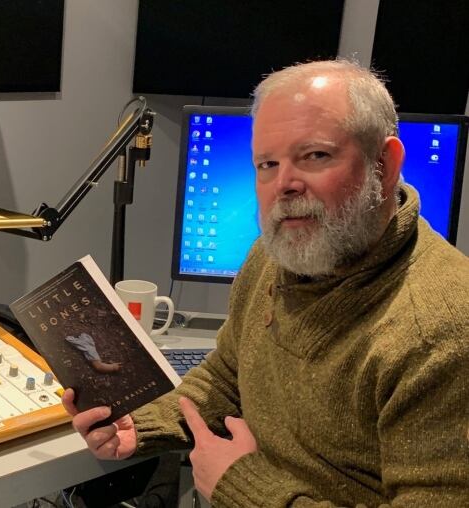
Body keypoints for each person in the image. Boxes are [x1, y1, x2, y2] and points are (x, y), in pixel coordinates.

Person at [63, 59, 469, 507]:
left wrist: (242, 487)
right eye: (267, 164)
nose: (284, 185)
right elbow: (229, 374)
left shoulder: (442, 329)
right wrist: (143, 425)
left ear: (385, 163)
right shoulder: (275, 256)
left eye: (315, 155)